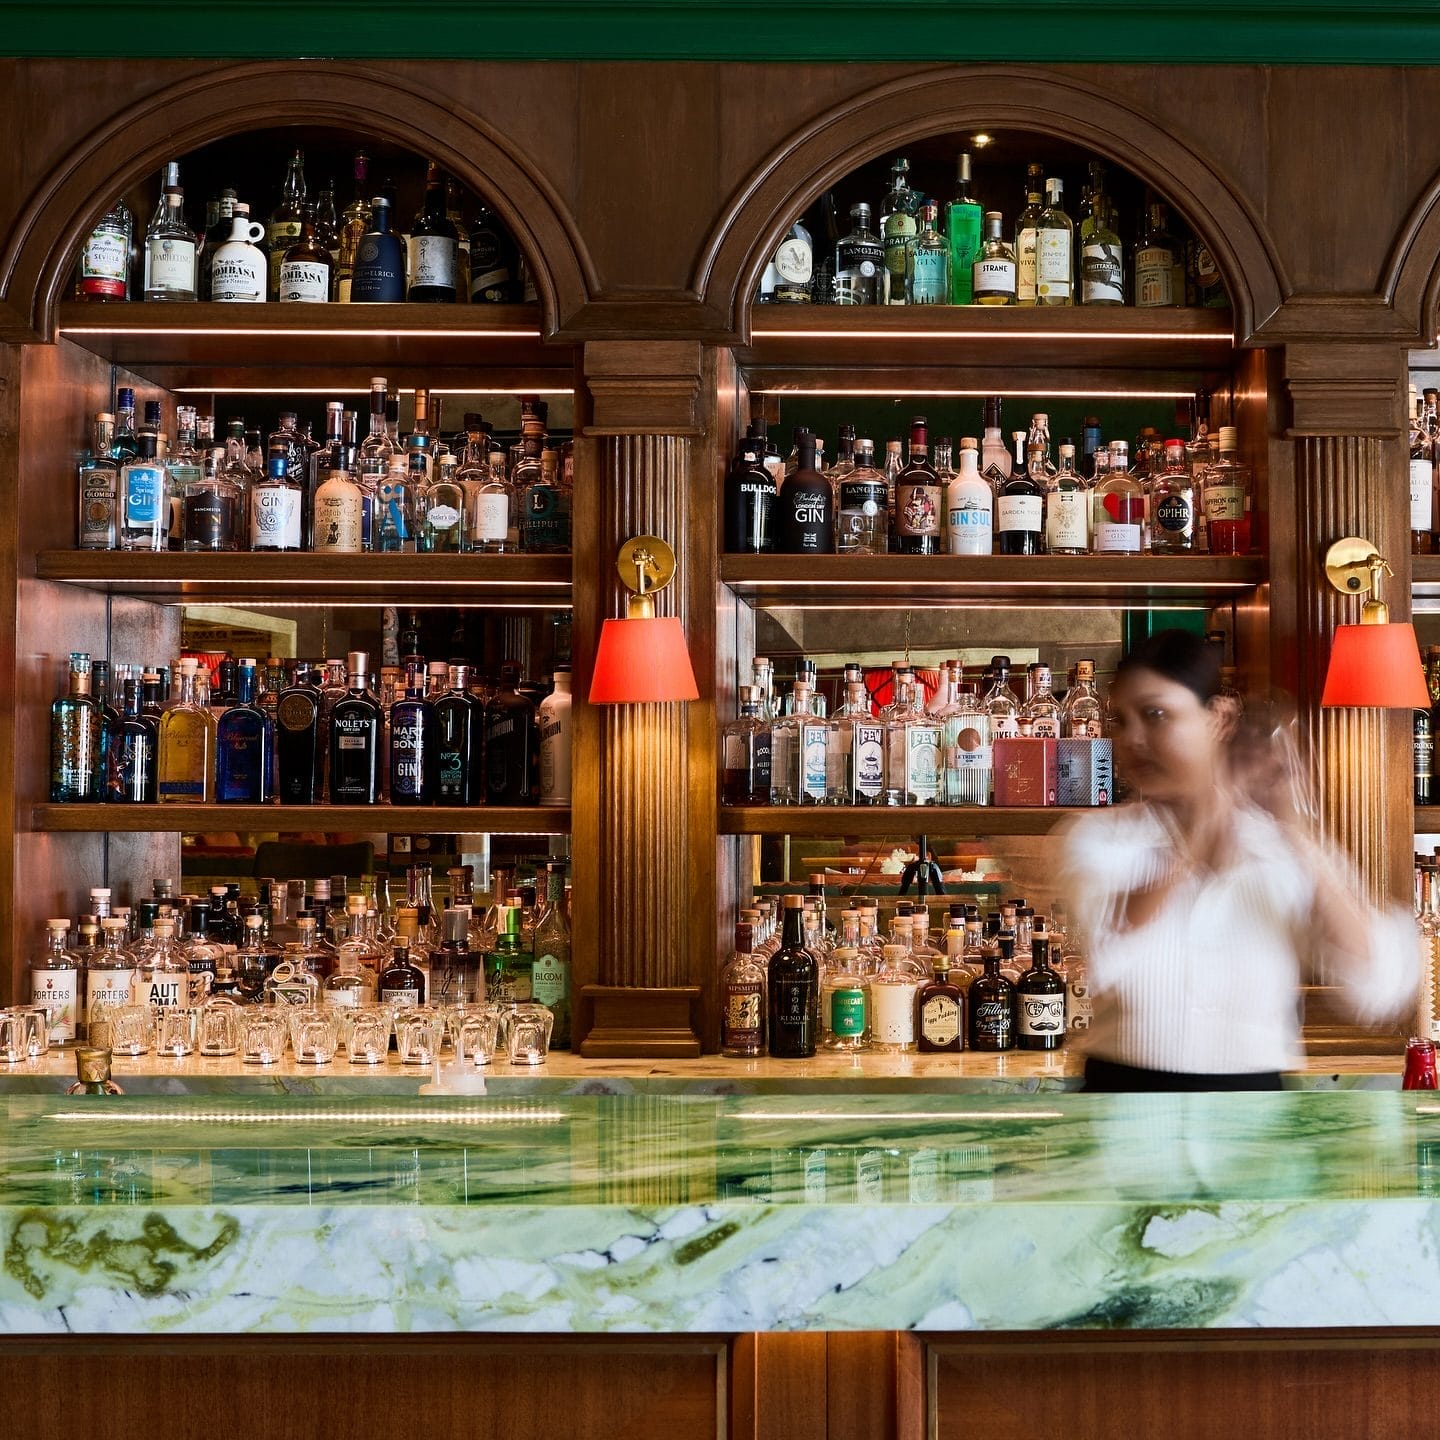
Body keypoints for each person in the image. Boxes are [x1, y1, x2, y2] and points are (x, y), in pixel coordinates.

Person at [1059, 629, 1417, 1093]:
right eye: (1120, 721)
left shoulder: (1280, 845)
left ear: (1219, 717)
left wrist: (1295, 832)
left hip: (1254, 1116)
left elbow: (1378, 982)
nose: (1132, 740)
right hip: (1124, 1105)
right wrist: (1212, 816)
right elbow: (1111, 944)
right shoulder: (1096, 838)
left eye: (1155, 715)